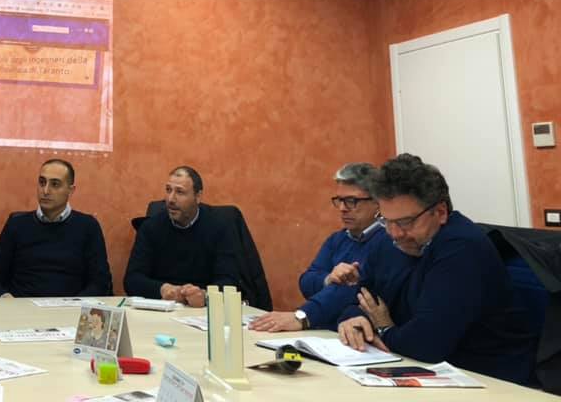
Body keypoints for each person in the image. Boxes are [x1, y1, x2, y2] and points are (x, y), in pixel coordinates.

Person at [337, 154, 537, 384]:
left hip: (488, 378)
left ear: (440, 212)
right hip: (420, 368)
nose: (394, 233)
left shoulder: (462, 248)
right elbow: (362, 297)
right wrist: (354, 319)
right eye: (385, 220)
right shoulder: (392, 241)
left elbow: (424, 346)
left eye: (405, 222)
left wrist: (383, 327)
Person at [251, 162, 383, 332]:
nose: (342, 208)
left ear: (377, 202)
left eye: (352, 201)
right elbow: (306, 281)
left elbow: (351, 291)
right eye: (339, 200)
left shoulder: (387, 241)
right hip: (326, 330)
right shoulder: (337, 239)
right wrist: (328, 279)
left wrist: (303, 316)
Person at [0, 158, 112, 298]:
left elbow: (101, 283)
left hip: (70, 307)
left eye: (55, 184)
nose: (46, 191)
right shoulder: (17, 224)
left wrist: (77, 304)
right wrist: (5, 299)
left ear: (71, 190)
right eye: (42, 182)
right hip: (22, 307)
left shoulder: (88, 226)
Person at [123, 166, 242, 308]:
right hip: (162, 308)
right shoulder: (150, 227)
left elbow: (229, 281)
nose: (170, 199)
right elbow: (132, 279)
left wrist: (205, 295)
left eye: (179, 192)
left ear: (198, 196)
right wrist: (162, 289)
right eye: (168, 190)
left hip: (202, 312)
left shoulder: (220, 227)